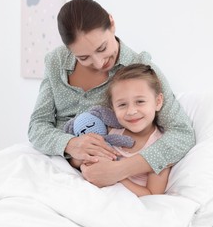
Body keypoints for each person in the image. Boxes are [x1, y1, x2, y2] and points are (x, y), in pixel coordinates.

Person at [28, 0, 195, 187]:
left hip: (108, 170)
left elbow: (182, 134)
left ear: (112, 23)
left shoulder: (140, 70)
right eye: (84, 57)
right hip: (54, 162)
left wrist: (120, 170)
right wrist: (70, 144)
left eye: (102, 48)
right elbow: (38, 125)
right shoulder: (56, 61)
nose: (99, 63)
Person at [70, 64, 170, 196]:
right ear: (113, 107)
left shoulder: (161, 148)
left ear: (158, 102)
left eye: (140, 101)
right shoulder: (111, 131)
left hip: (127, 202)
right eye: (122, 105)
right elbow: (76, 162)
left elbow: (152, 194)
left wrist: (114, 175)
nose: (131, 111)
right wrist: (84, 158)